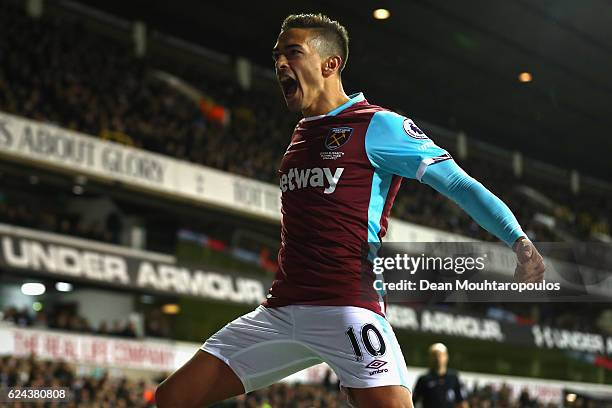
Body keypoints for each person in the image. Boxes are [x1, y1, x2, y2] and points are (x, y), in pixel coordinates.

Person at [155, 13, 545, 408]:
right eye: (277, 57)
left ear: (331, 64)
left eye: (293, 53)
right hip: (280, 310)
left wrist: (518, 239)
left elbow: (459, 183)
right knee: (172, 397)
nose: (280, 65)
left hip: (348, 310)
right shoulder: (301, 133)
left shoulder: (379, 126)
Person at [412, 343, 468, 408]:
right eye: (435, 355)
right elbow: (414, 400)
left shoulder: (453, 378)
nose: (438, 358)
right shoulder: (424, 379)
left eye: (440, 355)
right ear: (430, 357)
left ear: (446, 357)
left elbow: (461, 401)